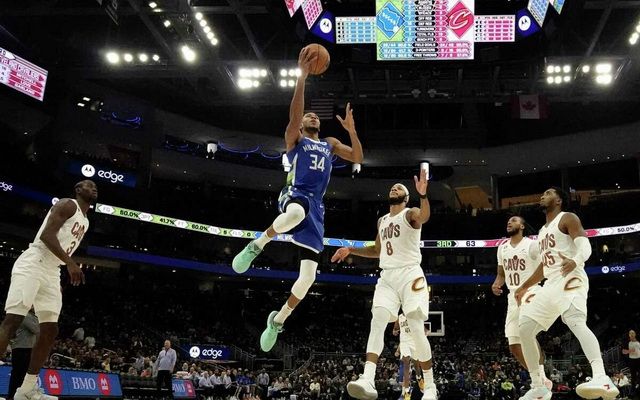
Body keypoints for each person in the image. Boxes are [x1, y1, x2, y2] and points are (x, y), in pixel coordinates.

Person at [232, 46, 364, 352]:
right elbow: (294, 115)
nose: (312, 115)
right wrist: (301, 78)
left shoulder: (330, 144)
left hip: (316, 208)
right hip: (295, 195)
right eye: (308, 115)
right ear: (301, 125)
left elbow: (358, 156)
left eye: (315, 115)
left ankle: (277, 320)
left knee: (307, 278)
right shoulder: (296, 139)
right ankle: (256, 245)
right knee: (294, 214)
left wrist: (352, 131)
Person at [331, 169, 437, 400]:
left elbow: (425, 216)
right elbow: (377, 250)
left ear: (406, 197)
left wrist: (423, 195)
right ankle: (368, 378)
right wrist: (351, 250)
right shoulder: (382, 220)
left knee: (416, 326)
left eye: (399, 188)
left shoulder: (410, 213)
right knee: (377, 319)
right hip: (387, 276)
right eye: (393, 187)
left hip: (410, 273)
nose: (394, 188)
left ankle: (430, 387)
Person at [515, 187, 619, 400]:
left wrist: (575, 260)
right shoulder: (542, 231)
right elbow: (544, 266)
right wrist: (524, 286)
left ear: (559, 200)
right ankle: (538, 386)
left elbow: (585, 246)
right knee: (524, 328)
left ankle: (601, 377)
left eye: (548, 193)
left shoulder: (567, 218)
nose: (542, 195)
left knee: (574, 320)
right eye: (542, 193)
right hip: (551, 284)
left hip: (571, 276)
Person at [0, 180, 95, 400]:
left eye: (95, 186)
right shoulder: (67, 204)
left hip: (52, 269)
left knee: (50, 329)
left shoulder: (86, 220)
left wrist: (60, 268)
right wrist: (70, 263)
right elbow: (47, 235)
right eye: (88, 185)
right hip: (35, 261)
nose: (93, 188)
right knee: (13, 319)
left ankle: (26, 389)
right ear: (77, 189)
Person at [491, 216, 552, 390]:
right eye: (508, 221)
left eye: (514, 220)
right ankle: (538, 378)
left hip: (530, 291)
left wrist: (526, 286)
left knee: (527, 332)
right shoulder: (502, 248)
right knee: (514, 346)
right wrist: (496, 284)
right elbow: (501, 274)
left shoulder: (531, 245)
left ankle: (541, 376)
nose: (509, 222)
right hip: (513, 297)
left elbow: (544, 267)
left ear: (522, 226)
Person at [8, 310, 39, 400]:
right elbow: (36, 329)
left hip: (27, 348)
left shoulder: (33, 317)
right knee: (18, 374)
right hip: (21, 348)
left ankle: (21, 396)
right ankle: (12, 396)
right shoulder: (26, 315)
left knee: (23, 374)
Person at [622, 329, 640, 394]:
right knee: (633, 376)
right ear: (629, 335)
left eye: (633, 333)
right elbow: (623, 351)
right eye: (630, 333)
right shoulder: (627, 342)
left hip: (639, 359)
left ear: (635, 334)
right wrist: (631, 351)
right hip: (632, 360)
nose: (631, 334)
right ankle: (633, 391)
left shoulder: (638, 341)